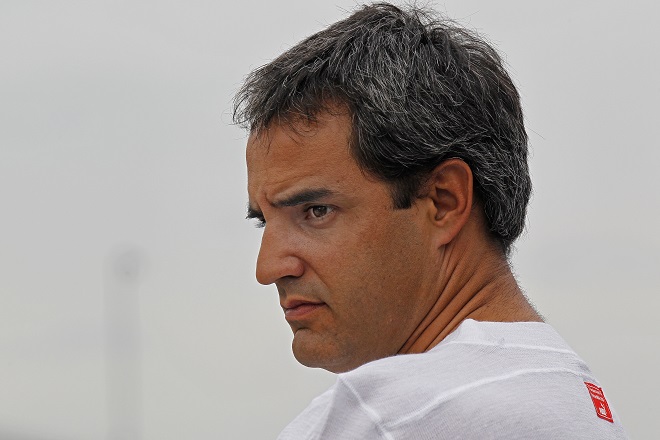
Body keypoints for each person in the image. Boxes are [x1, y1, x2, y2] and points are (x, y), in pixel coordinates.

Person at [234, 3, 628, 439]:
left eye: (316, 211)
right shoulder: (575, 401)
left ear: (444, 201)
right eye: (264, 221)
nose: (268, 268)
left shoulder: (390, 420)